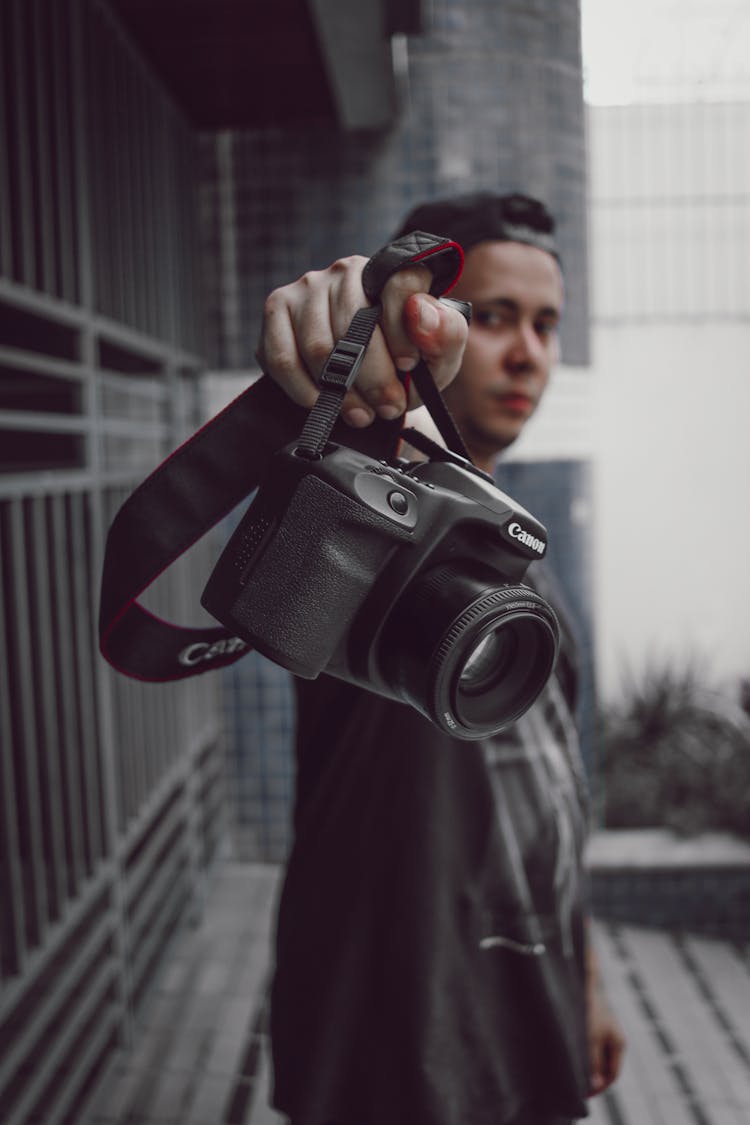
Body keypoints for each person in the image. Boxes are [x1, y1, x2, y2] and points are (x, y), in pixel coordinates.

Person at [256, 192, 625, 1125]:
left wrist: (583, 976)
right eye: (492, 315)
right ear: (429, 329)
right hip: (400, 1050)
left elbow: (546, 789)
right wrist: (352, 345)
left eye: (546, 323)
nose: (527, 349)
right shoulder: (378, 525)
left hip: (525, 1018)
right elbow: (343, 420)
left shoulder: (508, 539)